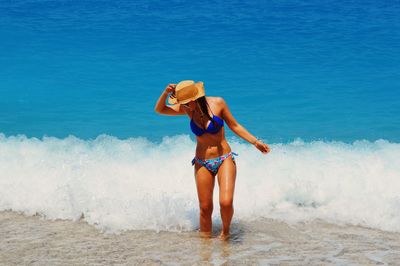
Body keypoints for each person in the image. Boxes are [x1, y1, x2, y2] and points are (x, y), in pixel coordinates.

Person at [154, 80, 270, 239]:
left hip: (224, 158)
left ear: (194, 99)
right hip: (202, 162)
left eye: (186, 103)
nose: (184, 107)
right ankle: (205, 245)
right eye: (183, 104)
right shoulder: (187, 109)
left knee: (226, 202)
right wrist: (166, 93)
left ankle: (225, 234)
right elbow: (160, 109)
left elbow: (234, 125)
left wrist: (255, 142)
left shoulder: (218, 103)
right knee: (205, 208)